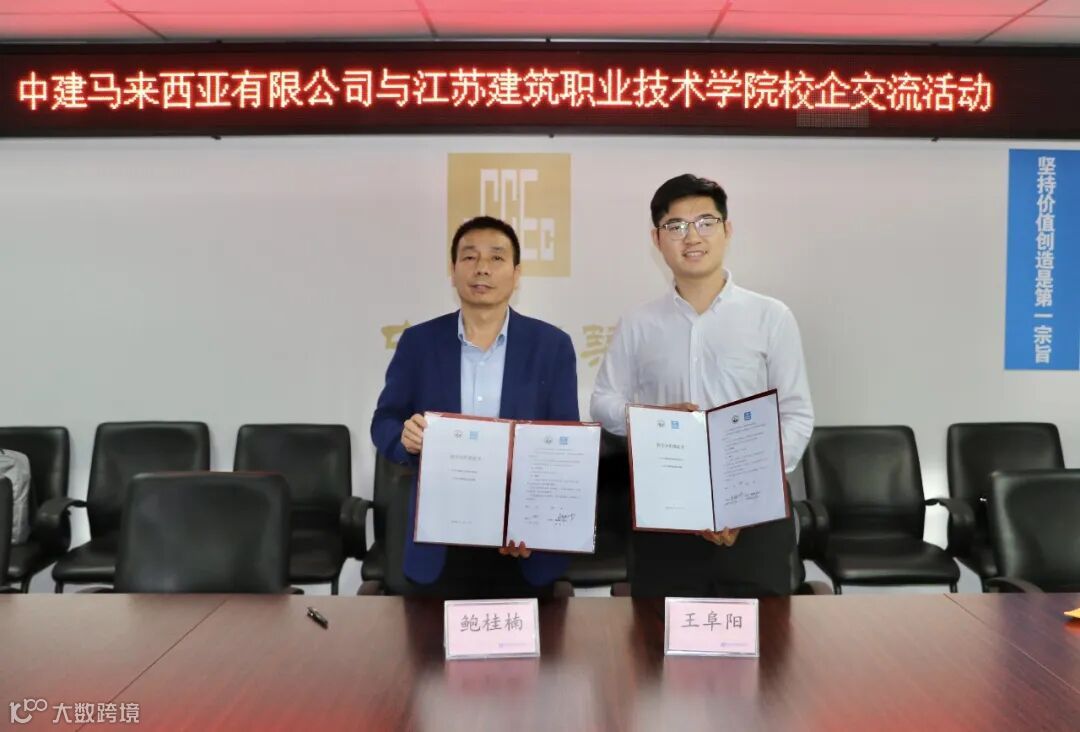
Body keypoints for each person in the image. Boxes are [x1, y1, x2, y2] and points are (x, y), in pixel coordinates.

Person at [591, 173, 814, 597]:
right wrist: (651, 419)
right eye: (675, 226)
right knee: (659, 630)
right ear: (657, 239)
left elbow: (797, 415)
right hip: (665, 510)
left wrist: (748, 492)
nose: (692, 236)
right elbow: (603, 402)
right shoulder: (638, 323)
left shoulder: (770, 317)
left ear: (727, 230)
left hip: (754, 516)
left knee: (761, 632)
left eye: (705, 222)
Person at [371, 215, 579, 598]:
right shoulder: (418, 343)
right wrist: (404, 436)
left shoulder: (551, 346)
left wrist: (536, 524)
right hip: (439, 541)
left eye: (497, 257)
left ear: (517, 274)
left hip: (521, 544)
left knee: (521, 640)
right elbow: (384, 421)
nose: (482, 267)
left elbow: (564, 445)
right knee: (433, 639)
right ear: (453, 271)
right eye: (469, 257)